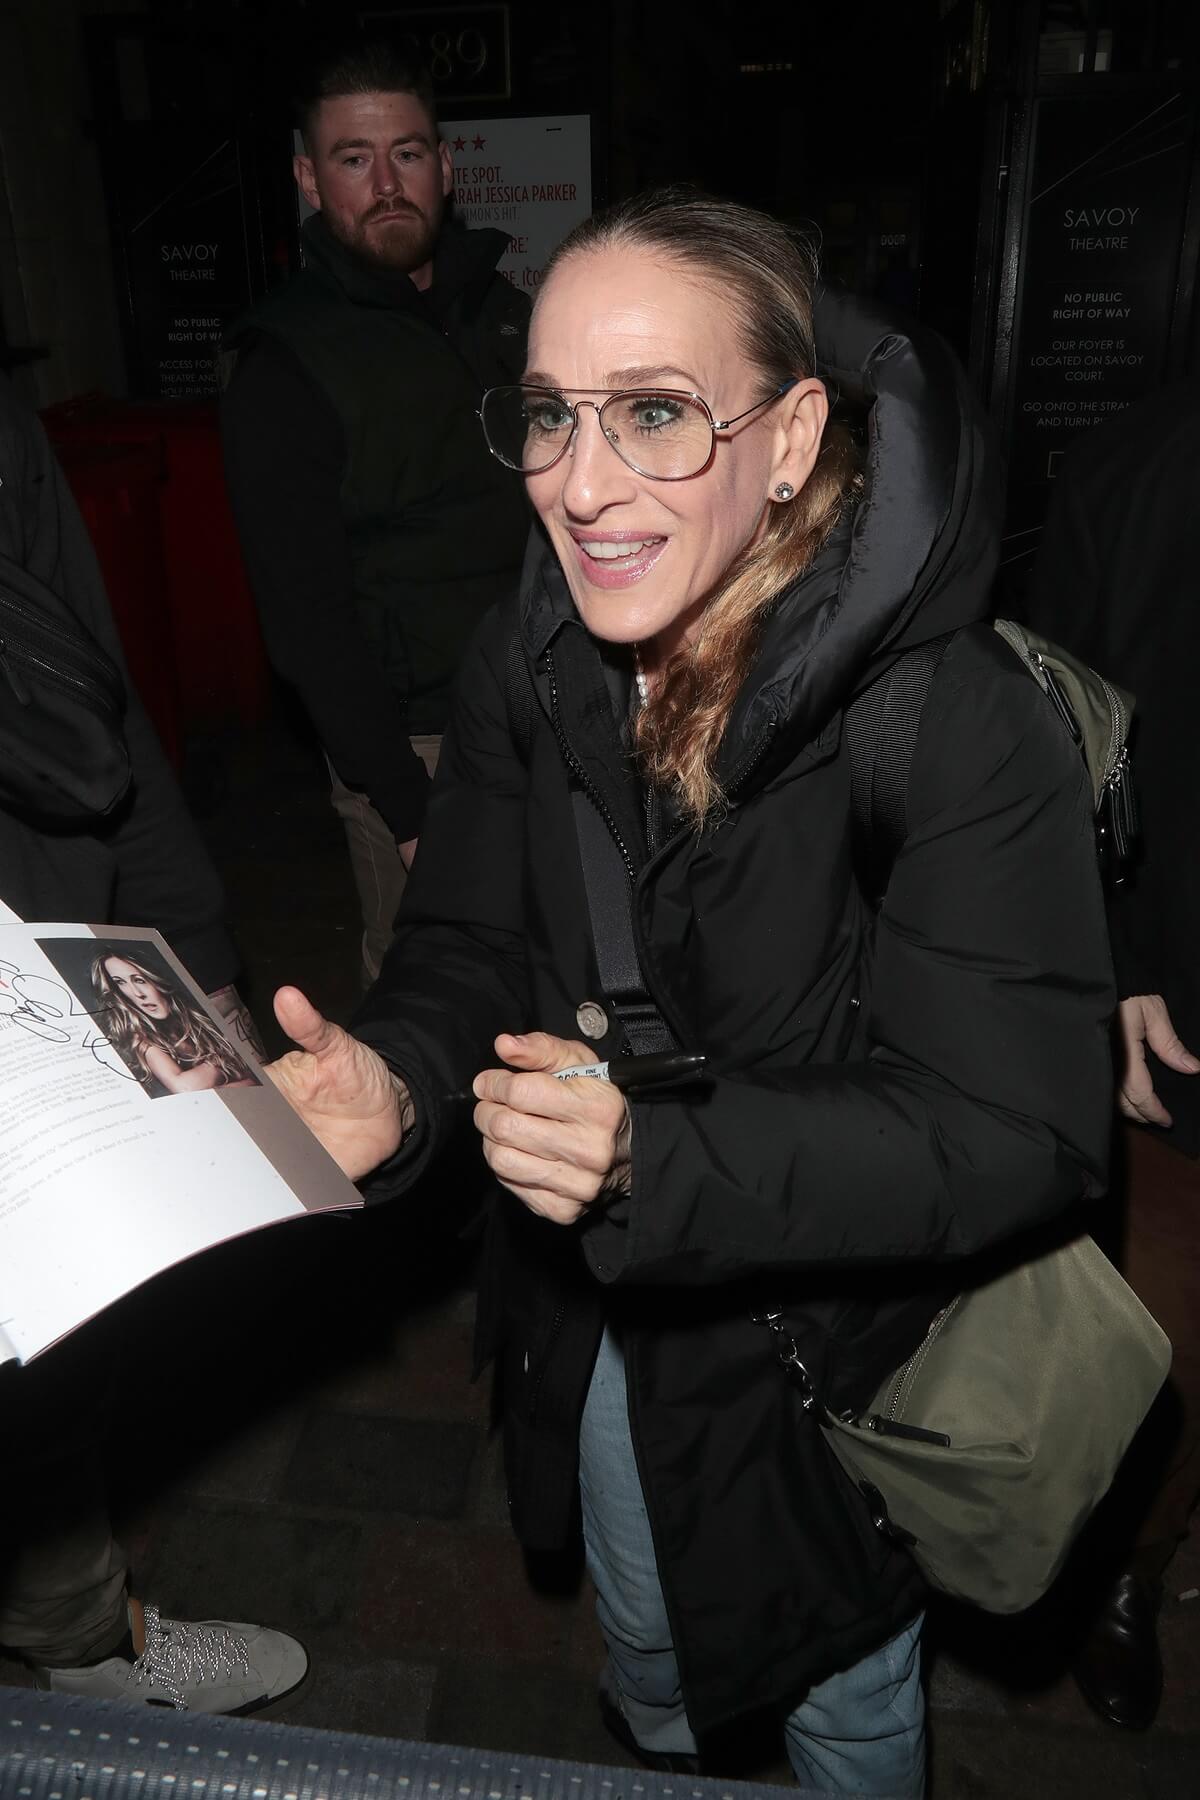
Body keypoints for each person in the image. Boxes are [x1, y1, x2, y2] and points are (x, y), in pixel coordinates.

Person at [265, 189, 1115, 1793]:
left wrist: (659, 1162)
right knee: (647, 1660)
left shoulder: (947, 718)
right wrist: (402, 1071)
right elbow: (473, 943)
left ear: (791, 436)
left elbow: (1020, 1128)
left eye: (655, 415)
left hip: (837, 1356)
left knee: (841, 1699)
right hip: (594, 1331)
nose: (582, 489)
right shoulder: (527, 656)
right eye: (549, 418)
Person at [0, 372, 307, 1714]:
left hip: (34, 948)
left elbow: (92, 682)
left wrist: (198, 965)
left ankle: (82, 1655)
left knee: (51, 1346)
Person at [220, 33, 531, 985]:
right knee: (430, 1002)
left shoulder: (510, 310)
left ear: (443, 166)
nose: (386, 182)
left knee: (563, 981)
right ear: (311, 179)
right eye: (355, 159)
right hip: (417, 749)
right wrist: (405, 805)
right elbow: (305, 621)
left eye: (406, 153)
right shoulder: (286, 363)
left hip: (553, 707)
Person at [1022, 380, 1200, 1731]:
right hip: (1180, 984)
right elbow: (1069, 719)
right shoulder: (1144, 459)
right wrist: (1119, 957)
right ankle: (1122, 1570)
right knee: (1164, 1335)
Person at [91, 947, 258, 1094]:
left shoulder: (197, 1021)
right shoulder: (142, 1039)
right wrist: (223, 1061)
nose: (137, 993)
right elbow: (185, 1088)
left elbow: (255, 1081)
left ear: (156, 977)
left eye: (139, 980)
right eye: (121, 983)